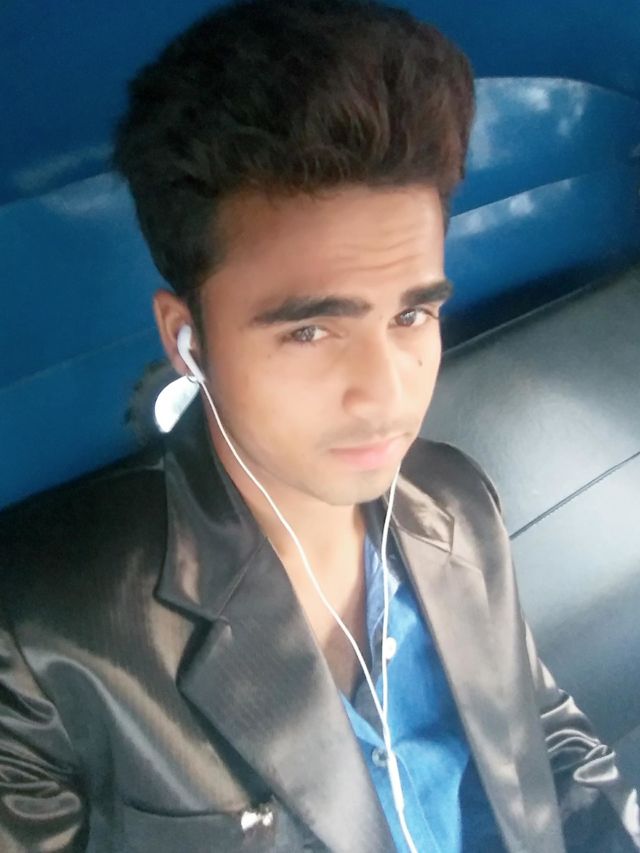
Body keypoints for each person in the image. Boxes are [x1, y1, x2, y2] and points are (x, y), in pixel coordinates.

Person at [0, 1, 638, 851]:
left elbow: (544, 737)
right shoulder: (46, 639)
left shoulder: (454, 500)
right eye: (310, 331)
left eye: (411, 315)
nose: (384, 394)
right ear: (187, 340)